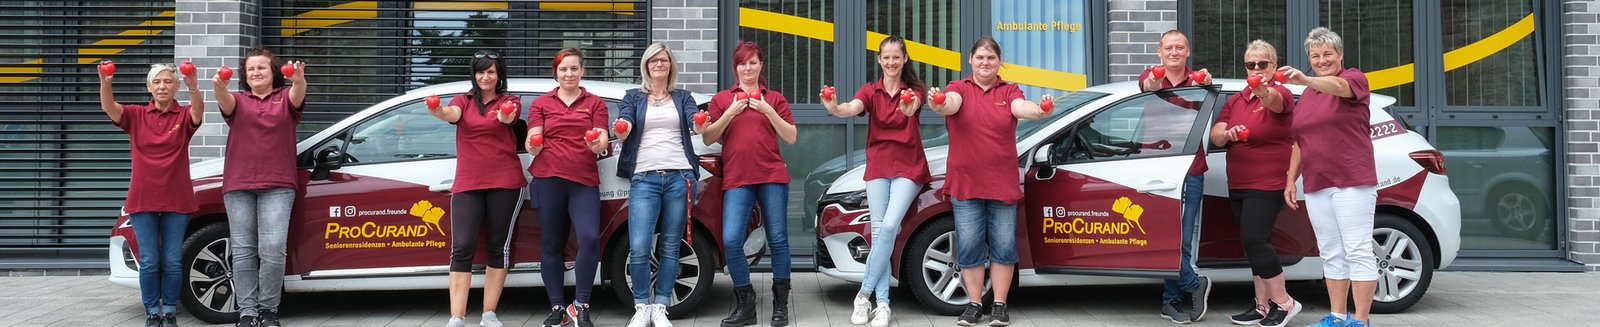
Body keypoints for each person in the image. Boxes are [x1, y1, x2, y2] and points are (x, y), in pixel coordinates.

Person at [926, 36, 1050, 327]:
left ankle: (999, 304)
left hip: (1001, 184)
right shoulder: (959, 88)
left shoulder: (1009, 91)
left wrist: (1040, 111)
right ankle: (972, 304)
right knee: (969, 247)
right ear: (970, 60)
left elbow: (1022, 108)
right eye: (980, 57)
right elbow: (949, 105)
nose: (985, 62)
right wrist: (938, 102)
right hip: (966, 184)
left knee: (1004, 246)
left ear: (999, 62)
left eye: (991, 58)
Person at [820, 35, 932, 327]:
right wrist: (834, 107)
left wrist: (907, 106)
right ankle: (882, 305)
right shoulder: (871, 91)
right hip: (879, 166)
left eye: (897, 57)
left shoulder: (914, 89)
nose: (892, 62)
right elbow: (851, 108)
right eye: (887, 58)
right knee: (880, 230)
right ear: (879, 60)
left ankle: (863, 293)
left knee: (890, 227)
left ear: (905, 58)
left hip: (909, 167)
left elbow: (912, 106)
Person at [1279, 27, 1379, 327]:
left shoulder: (1353, 79)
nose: (1321, 60)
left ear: (1340, 55)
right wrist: (1289, 181)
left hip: (1352, 181)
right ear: (1309, 58)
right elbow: (1299, 141)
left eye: (1327, 54)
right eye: (1315, 56)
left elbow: (1337, 87)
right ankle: (1337, 316)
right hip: (1317, 183)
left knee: (1357, 249)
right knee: (1331, 251)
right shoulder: (1307, 96)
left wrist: (1306, 79)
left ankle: (1360, 320)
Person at [700, 40, 798, 327]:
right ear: (736, 67)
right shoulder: (721, 99)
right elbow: (708, 137)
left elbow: (790, 136)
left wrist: (767, 109)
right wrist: (730, 112)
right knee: (731, 240)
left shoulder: (775, 99)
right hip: (738, 178)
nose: (748, 68)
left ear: (760, 65)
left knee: (778, 240)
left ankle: (781, 305)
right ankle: (746, 304)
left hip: (772, 176)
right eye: (742, 63)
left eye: (753, 62)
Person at [425, 50, 525, 327]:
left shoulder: (509, 101)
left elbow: (509, 119)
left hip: (505, 183)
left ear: (499, 75)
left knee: (497, 247)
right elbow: (450, 113)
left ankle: (488, 314)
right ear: (474, 74)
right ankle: (457, 317)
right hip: (468, 184)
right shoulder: (463, 101)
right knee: (463, 247)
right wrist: (437, 110)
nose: (485, 76)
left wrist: (504, 115)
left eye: (491, 71)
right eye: (481, 71)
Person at [101, 62, 203, 327]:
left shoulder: (183, 116)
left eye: (168, 81)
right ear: (149, 87)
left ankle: (169, 311)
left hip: (177, 199)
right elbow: (110, 108)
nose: (162, 86)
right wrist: (106, 81)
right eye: (157, 82)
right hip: (142, 198)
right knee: (148, 260)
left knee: (171, 260)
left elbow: (198, 112)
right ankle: (152, 313)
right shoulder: (136, 115)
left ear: (175, 86)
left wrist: (194, 86)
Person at [212, 46, 305, 327]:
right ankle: (247, 312)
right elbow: (224, 100)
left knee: (273, 248)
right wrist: (218, 85)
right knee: (242, 250)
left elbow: (297, 93)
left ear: (273, 72)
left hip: (278, 184)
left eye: (261, 67)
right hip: (239, 184)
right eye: (250, 69)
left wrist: (298, 78)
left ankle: (268, 310)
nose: (256, 72)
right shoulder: (238, 100)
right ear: (245, 75)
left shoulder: (284, 98)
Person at [1211, 40, 1300, 327]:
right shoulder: (1236, 99)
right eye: (1251, 64)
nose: (1257, 68)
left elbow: (1273, 100)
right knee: (1253, 245)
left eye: (1263, 64)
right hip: (1239, 181)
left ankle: (1284, 303)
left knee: (1255, 239)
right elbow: (1216, 133)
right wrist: (1229, 134)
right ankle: (1262, 305)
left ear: (1274, 66)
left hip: (1268, 181)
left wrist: (1262, 89)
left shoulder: (1281, 93)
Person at [614, 42, 701, 327]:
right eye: (654, 61)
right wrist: (623, 128)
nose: (659, 65)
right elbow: (624, 122)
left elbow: (694, 122)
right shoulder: (633, 97)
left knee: (671, 245)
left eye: (663, 60)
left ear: (670, 65)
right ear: (646, 66)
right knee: (639, 246)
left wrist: (700, 123)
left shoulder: (684, 97)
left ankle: (661, 305)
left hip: (679, 176)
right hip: (644, 178)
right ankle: (642, 305)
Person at [524, 47, 610, 327]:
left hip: (583, 181)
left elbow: (603, 139)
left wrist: (595, 144)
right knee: (551, 244)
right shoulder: (541, 104)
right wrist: (532, 145)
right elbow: (533, 136)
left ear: (582, 71)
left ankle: (581, 304)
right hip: (548, 180)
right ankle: (557, 307)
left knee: (589, 239)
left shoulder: (595, 102)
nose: (569, 74)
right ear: (556, 73)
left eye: (574, 68)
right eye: (563, 69)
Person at [1137, 29, 1214, 324]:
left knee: (1181, 238)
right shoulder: (1151, 75)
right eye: (1168, 48)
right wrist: (1156, 78)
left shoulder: (1198, 81)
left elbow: (1206, 86)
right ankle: (1194, 285)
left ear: (1187, 52)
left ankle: (1171, 301)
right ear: (1159, 52)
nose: (1173, 52)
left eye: (1179, 47)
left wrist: (1205, 82)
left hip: (1190, 169)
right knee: (1162, 235)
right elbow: (1149, 84)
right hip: (1156, 168)